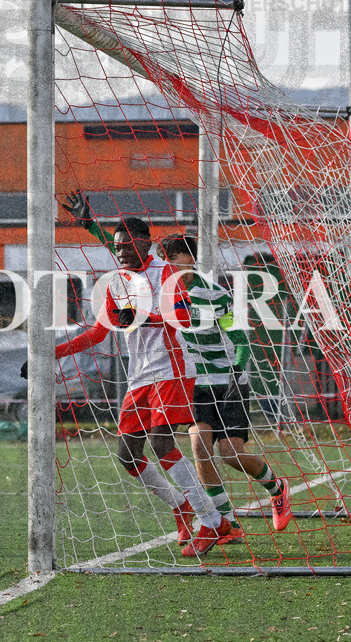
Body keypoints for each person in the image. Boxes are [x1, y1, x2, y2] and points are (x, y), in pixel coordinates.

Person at [29, 213, 238, 558]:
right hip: (139, 376)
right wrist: (50, 353)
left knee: (161, 442)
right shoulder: (115, 283)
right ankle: (181, 504)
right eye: (117, 247)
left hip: (172, 370)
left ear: (146, 242)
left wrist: (145, 317)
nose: (122, 252)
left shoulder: (168, 273)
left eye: (127, 245)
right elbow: (98, 332)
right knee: (128, 455)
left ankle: (213, 520)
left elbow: (186, 318)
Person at [159, 234, 293, 533]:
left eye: (174, 258)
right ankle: (225, 521)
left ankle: (277, 487)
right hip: (196, 384)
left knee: (231, 453)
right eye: (165, 260)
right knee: (198, 445)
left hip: (229, 381)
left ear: (190, 260)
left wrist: (236, 369)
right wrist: (92, 226)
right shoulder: (162, 294)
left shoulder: (215, 294)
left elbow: (239, 339)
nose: (168, 266)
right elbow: (131, 257)